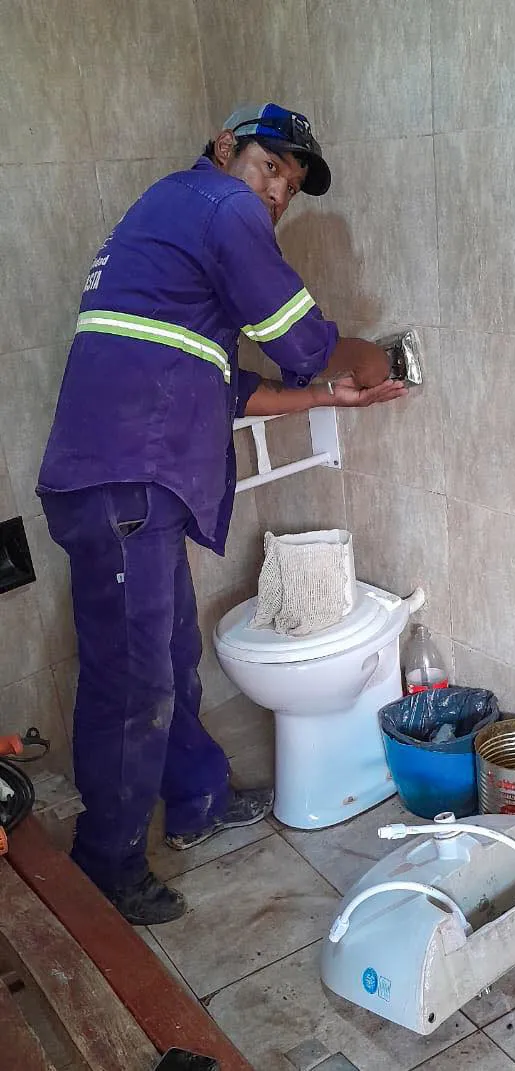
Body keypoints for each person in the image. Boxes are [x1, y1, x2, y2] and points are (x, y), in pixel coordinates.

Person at [37, 103, 405, 925]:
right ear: (226, 149)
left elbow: (230, 384)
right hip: (124, 481)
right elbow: (302, 342)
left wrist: (328, 397)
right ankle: (105, 866)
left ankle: (197, 796)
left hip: (129, 484)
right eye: (272, 167)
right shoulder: (217, 203)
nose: (277, 194)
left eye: (291, 186)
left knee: (168, 652)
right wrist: (369, 360)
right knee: (132, 681)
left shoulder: (169, 222)